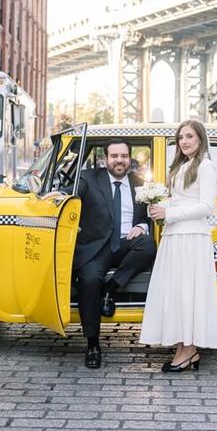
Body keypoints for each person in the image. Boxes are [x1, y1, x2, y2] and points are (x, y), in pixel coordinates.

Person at [62, 139, 156, 369]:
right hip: (96, 246)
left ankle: (110, 289)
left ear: (129, 158)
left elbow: (146, 216)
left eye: (124, 156)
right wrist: (59, 196)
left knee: (148, 246)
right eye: (114, 156)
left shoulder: (140, 184)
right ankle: (93, 344)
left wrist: (142, 226)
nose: (119, 160)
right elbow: (71, 194)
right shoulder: (88, 178)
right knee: (89, 280)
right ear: (106, 159)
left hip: (126, 243)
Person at [139, 119, 217, 372]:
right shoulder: (182, 166)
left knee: (189, 293)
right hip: (175, 236)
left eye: (189, 136)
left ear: (200, 139)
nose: (184, 141)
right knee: (176, 293)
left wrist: (169, 212)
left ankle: (189, 348)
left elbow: (207, 206)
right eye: (181, 137)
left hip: (192, 238)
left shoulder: (206, 166)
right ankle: (184, 347)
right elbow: (181, 200)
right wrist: (161, 206)